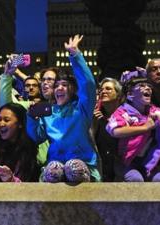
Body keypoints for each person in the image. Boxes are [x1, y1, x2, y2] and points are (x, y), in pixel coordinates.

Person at [27, 35, 100, 182]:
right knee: (53, 170)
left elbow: (89, 85)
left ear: (72, 89)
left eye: (65, 85)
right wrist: (31, 119)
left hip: (82, 163)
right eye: (57, 85)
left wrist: (75, 55)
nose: (60, 88)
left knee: (74, 168)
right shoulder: (48, 112)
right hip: (56, 164)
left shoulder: (81, 108)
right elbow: (36, 137)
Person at [106, 76, 160, 182]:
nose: (148, 88)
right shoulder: (123, 112)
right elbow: (116, 131)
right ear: (130, 95)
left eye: (149, 86)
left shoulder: (154, 111)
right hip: (126, 161)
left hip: (150, 162)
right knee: (136, 179)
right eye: (141, 86)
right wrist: (145, 127)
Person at [92, 77, 123, 181]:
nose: (103, 91)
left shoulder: (127, 115)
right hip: (101, 169)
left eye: (108, 89)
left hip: (122, 169)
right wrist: (94, 124)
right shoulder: (96, 116)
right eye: (101, 90)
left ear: (118, 94)